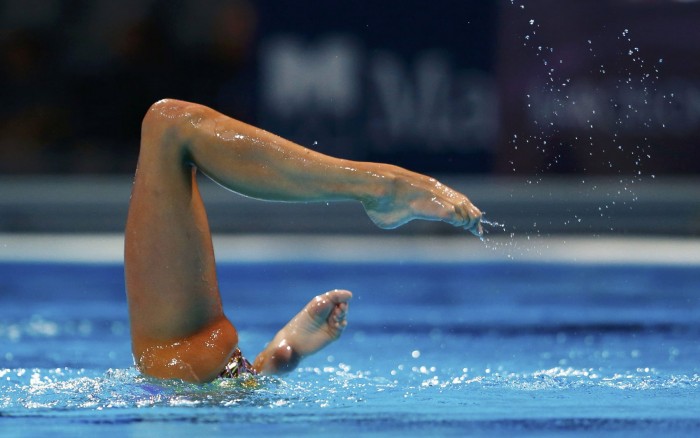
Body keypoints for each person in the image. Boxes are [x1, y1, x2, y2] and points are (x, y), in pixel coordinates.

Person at [124, 99, 483, 383]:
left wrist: (273, 359)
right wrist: (278, 355)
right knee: (170, 127)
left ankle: (377, 186)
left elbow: (193, 400)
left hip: (181, 389)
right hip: (183, 386)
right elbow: (199, 400)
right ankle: (376, 185)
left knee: (169, 125)